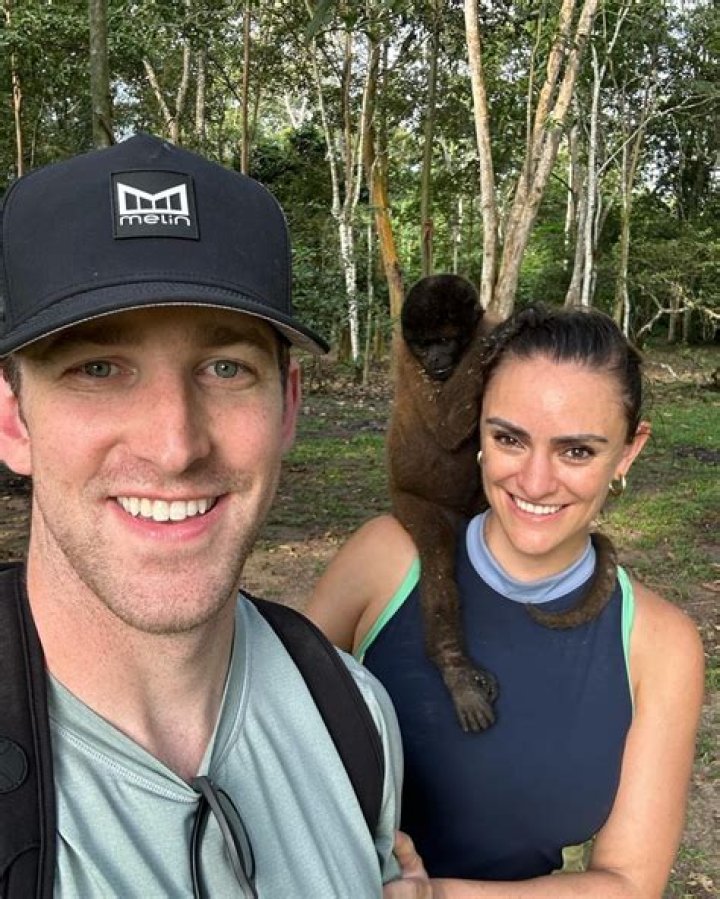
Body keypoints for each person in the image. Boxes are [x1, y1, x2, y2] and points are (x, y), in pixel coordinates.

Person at [0, 133, 403, 897]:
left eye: (225, 368)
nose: (176, 444)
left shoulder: (353, 715)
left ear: (287, 407)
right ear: (13, 418)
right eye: (97, 368)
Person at [308, 305, 705, 898]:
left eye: (577, 451)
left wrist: (431, 896)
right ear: (478, 431)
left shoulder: (659, 645)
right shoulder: (386, 560)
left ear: (627, 452)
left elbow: (628, 882)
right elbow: (263, 732)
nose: (536, 482)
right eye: (509, 439)